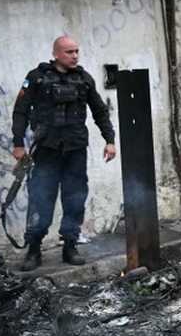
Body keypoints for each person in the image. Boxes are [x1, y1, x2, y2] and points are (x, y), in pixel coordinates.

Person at [11, 36, 117, 271]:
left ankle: (70, 245)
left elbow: (100, 111)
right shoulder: (36, 78)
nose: (75, 56)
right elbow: (20, 111)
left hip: (75, 150)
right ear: (56, 53)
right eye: (69, 52)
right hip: (46, 150)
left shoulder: (84, 79)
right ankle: (34, 249)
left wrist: (110, 140)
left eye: (77, 51)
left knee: (75, 199)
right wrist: (18, 144)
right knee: (41, 199)